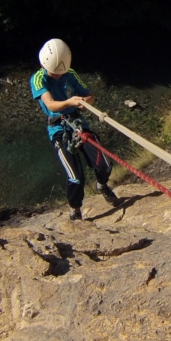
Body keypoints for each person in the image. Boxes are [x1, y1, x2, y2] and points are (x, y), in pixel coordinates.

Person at [30, 38, 119, 220]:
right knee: (75, 177)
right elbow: (51, 105)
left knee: (104, 164)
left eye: (59, 72)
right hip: (59, 129)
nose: (57, 75)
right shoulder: (38, 79)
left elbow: (89, 96)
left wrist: (86, 102)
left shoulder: (69, 73)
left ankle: (102, 184)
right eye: (54, 72)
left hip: (78, 124)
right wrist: (71, 102)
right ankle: (75, 209)